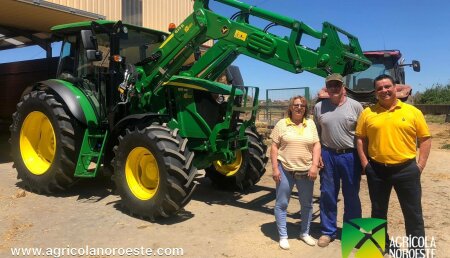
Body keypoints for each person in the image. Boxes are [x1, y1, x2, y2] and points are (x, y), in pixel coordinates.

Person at [355, 74, 431, 254]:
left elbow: (425, 139)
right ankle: (382, 245)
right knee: (378, 211)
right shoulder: (368, 113)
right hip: (377, 170)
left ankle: (417, 251)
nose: (384, 91)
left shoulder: (412, 112)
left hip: (406, 169)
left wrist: (420, 165)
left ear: (395, 88)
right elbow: (360, 139)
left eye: (387, 86)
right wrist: (366, 164)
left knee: (413, 214)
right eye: (379, 88)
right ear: (375, 92)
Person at [313, 73, 363, 247]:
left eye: (337, 85)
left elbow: (362, 135)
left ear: (343, 87)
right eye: (330, 85)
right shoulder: (319, 107)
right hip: (328, 154)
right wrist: (318, 154)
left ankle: (352, 232)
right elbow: (316, 134)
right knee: (327, 194)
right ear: (327, 88)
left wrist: (363, 158)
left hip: (350, 155)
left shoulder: (356, 107)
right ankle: (328, 231)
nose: (334, 88)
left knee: (351, 195)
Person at [270, 95, 321, 250]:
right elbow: (274, 147)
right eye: (296, 105)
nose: (299, 107)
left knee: (307, 204)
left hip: (306, 171)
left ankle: (304, 233)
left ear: (305, 109)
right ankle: (283, 236)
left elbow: (317, 145)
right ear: (291, 107)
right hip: (285, 170)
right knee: (282, 203)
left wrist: (314, 166)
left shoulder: (310, 124)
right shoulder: (281, 124)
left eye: (303, 105)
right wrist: (274, 168)